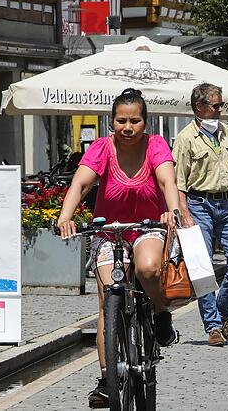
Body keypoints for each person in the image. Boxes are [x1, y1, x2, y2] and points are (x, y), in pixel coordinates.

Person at [57, 88, 181, 408]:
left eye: (134, 121)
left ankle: (160, 312)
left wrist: (171, 210)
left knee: (148, 268)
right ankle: (106, 377)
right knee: (107, 300)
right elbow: (81, 183)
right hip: (109, 231)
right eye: (121, 121)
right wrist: (65, 216)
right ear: (112, 122)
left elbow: (167, 181)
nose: (127, 127)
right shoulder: (102, 148)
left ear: (145, 122)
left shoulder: (155, 145)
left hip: (146, 227)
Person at [172, 83, 228, 347]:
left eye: (221, 105)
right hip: (199, 205)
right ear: (199, 107)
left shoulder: (226, 132)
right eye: (216, 105)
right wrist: (184, 213)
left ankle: (221, 315)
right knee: (203, 268)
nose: (220, 110)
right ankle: (213, 326)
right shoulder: (186, 138)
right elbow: (178, 183)